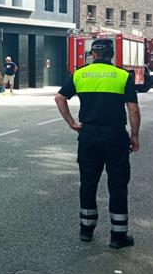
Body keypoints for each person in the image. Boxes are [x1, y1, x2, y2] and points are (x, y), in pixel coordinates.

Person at [54, 38, 141, 249]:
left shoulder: (80, 74)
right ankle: (118, 236)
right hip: (115, 136)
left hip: (88, 136)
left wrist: (72, 123)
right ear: (112, 55)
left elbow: (59, 98)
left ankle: (86, 230)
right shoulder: (122, 75)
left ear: (93, 54)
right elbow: (133, 110)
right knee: (118, 185)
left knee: (88, 182)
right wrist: (135, 135)